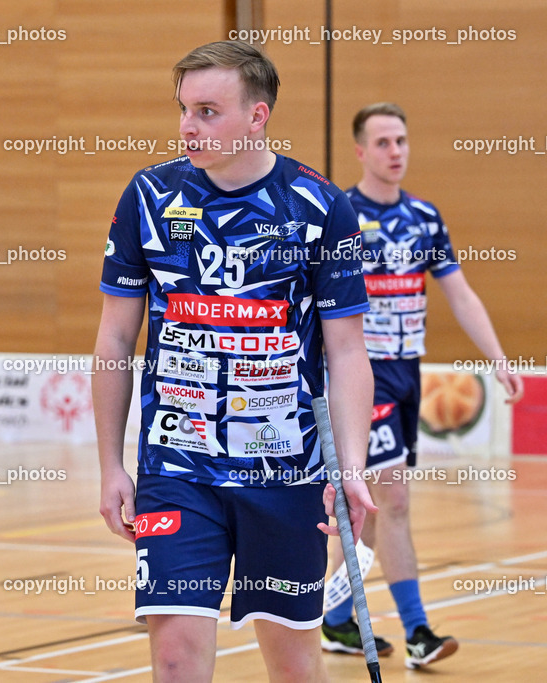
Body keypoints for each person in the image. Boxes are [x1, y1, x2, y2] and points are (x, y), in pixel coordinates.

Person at [93, 40, 375, 682]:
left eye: (209, 111)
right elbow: (113, 342)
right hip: (176, 471)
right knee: (174, 658)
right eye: (185, 110)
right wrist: (110, 463)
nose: (189, 126)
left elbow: (348, 350)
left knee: (295, 667)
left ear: (258, 116)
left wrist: (351, 468)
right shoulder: (147, 197)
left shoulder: (320, 206)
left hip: (286, 475)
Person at [320, 101, 525, 669]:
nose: (395, 152)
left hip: (408, 371)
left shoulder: (425, 218)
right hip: (365, 373)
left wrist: (498, 358)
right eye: (383, 142)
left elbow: (460, 292)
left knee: (373, 510)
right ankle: (417, 632)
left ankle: (335, 616)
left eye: (402, 141)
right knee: (394, 498)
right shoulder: (340, 215)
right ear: (360, 150)